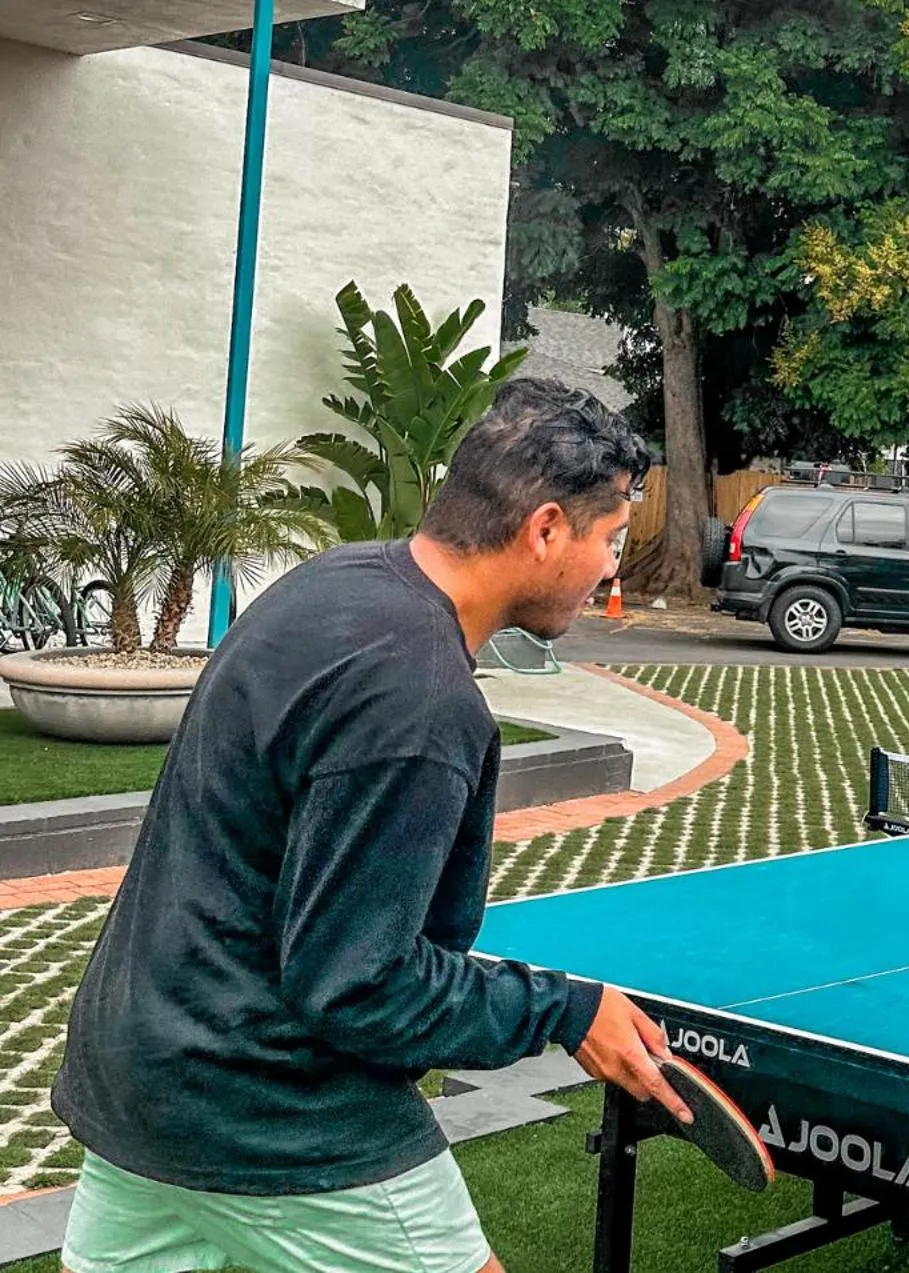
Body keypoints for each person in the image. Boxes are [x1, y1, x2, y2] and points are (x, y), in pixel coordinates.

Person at [52, 378, 697, 1273]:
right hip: (270, 1104)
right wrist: (565, 1008)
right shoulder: (422, 701)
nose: (612, 569)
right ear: (546, 528)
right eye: (608, 539)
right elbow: (357, 983)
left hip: (140, 1070)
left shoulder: (332, 579)